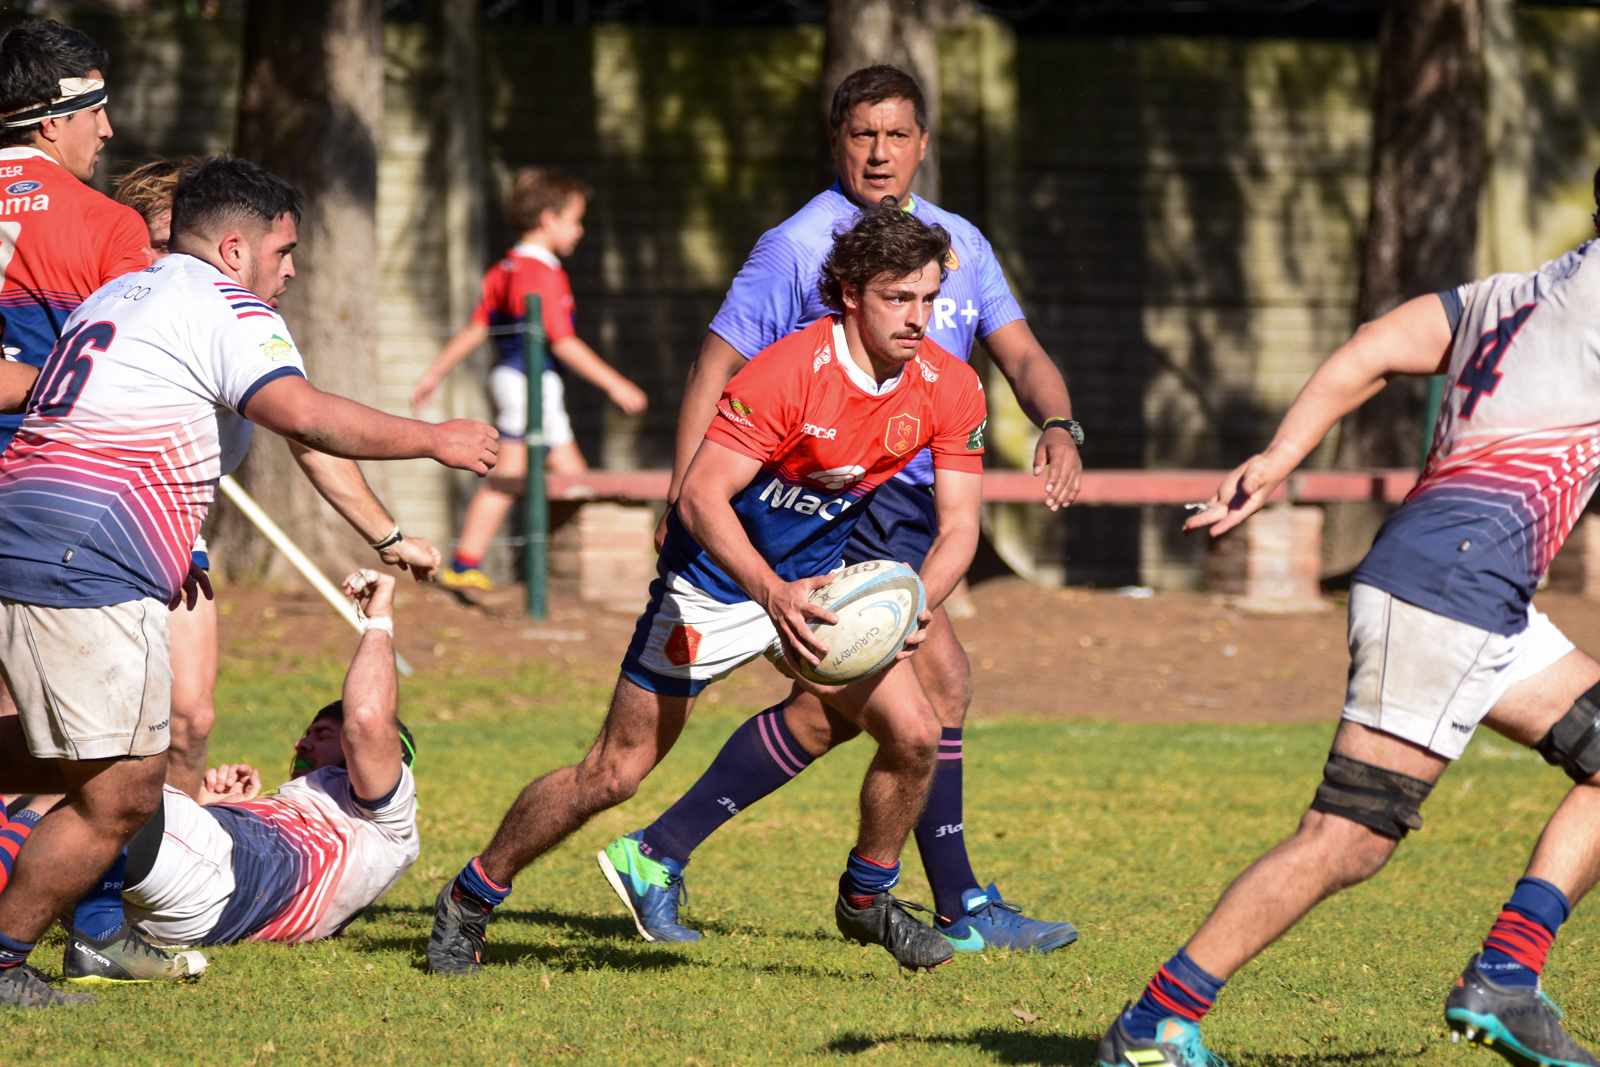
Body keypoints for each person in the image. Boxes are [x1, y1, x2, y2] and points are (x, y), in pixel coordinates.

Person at [427, 201, 987, 976]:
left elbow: (960, 526)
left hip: (815, 587)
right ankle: (470, 894)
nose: (918, 317)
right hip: (713, 584)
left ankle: (868, 895)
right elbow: (699, 495)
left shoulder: (949, 387)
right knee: (611, 773)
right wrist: (769, 592)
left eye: (929, 298)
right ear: (852, 292)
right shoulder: (790, 371)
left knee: (916, 730)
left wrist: (917, 601)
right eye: (899, 297)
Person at [1097, 210, 1600, 1066]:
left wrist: (1279, 456)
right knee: (1347, 837)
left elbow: (1372, 344)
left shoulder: (1510, 295)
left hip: (1462, 584)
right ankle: (1154, 1025)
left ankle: (1508, 976)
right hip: (1452, 590)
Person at [0, 155, 497, 1009]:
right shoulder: (226, 305)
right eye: (286, 248)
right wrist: (434, 437)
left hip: (32, 528)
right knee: (121, 788)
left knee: (84, 757)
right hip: (86, 553)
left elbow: (304, 438)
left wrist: (385, 533)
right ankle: (7, 963)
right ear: (236, 248)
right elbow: (304, 415)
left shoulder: (124, 294)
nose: (293, 267)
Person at [617, 64, 1081, 953]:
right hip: (836, 503)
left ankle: (665, 850)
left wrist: (1057, 422)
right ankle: (946, 903)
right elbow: (713, 369)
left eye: (896, 133)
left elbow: (1021, 354)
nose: (880, 152)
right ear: (838, 142)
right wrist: (685, 493)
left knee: (859, 704)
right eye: (862, 133)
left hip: (917, 504)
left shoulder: (962, 245)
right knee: (925, 688)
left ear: (922, 144)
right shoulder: (797, 245)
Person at [0, 568, 418, 957]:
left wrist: (378, 621)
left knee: (102, 776)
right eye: (308, 732)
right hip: (152, 894)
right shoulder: (327, 825)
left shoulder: (388, 823)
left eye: (323, 734)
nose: (301, 742)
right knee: (42, 789)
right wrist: (210, 807)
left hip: (216, 880)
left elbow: (365, 721)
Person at [410, 167, 648, 592]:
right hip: (528, 383)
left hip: (517, 379)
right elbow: (563, 341)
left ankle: (572, 572)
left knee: (574, 476)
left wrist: (434, 374)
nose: (580, 231)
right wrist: (615, 384)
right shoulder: (541, 272)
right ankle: (465, 566)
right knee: (511, 474)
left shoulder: (503, 267)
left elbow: (474, 329)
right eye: (575, 220)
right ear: (548, 219)